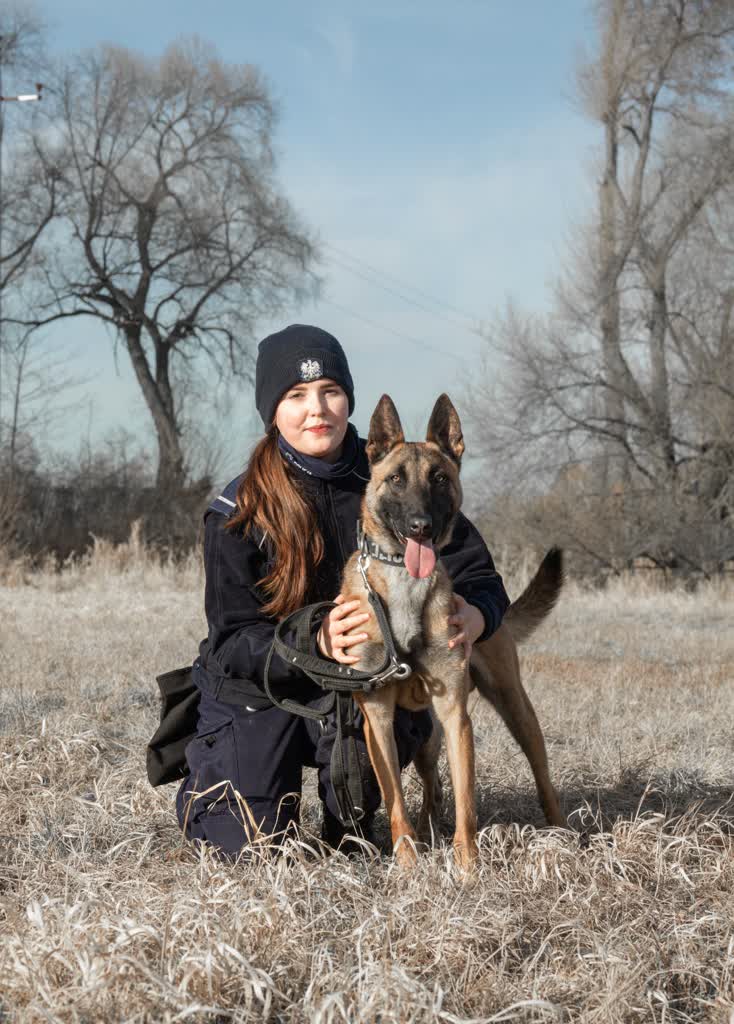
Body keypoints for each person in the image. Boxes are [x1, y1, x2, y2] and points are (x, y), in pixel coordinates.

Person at [176, 324, 510, 857]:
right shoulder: (239, 510)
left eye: (329, 391)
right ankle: (217, 781)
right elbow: (232, 642)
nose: (317, 410)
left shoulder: (400, 476)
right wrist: (315, 638)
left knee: (352, 827)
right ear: (273, 411)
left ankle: (353, 810)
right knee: (245, 845)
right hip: (261, 689)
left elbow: (482, 578)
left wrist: (478, 615)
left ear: (348, 400)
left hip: (357, 684)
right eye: (296, 395)